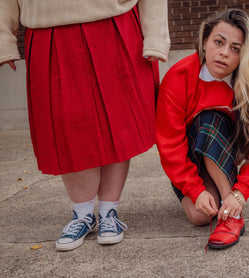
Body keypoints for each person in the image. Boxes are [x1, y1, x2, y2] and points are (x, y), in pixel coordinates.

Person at [0, 0, 170, 251]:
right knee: (67, 124)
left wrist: (155, 33)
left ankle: (108, 212)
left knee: (118, 120)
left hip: (114, 23)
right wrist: (3, 37)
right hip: (49, 30)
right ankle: (82, 214)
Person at [156, 9, 249, 249]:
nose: (224, 53)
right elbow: (169, 144)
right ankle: (219, 196)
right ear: (205, 42)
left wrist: (240, 193)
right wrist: (194, 189)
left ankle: (232, 211)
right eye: (218, 42)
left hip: (225, 153)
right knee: (200, 217)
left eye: (235, 48)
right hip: (191, 156)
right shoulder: (179, 77)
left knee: (212, 119)